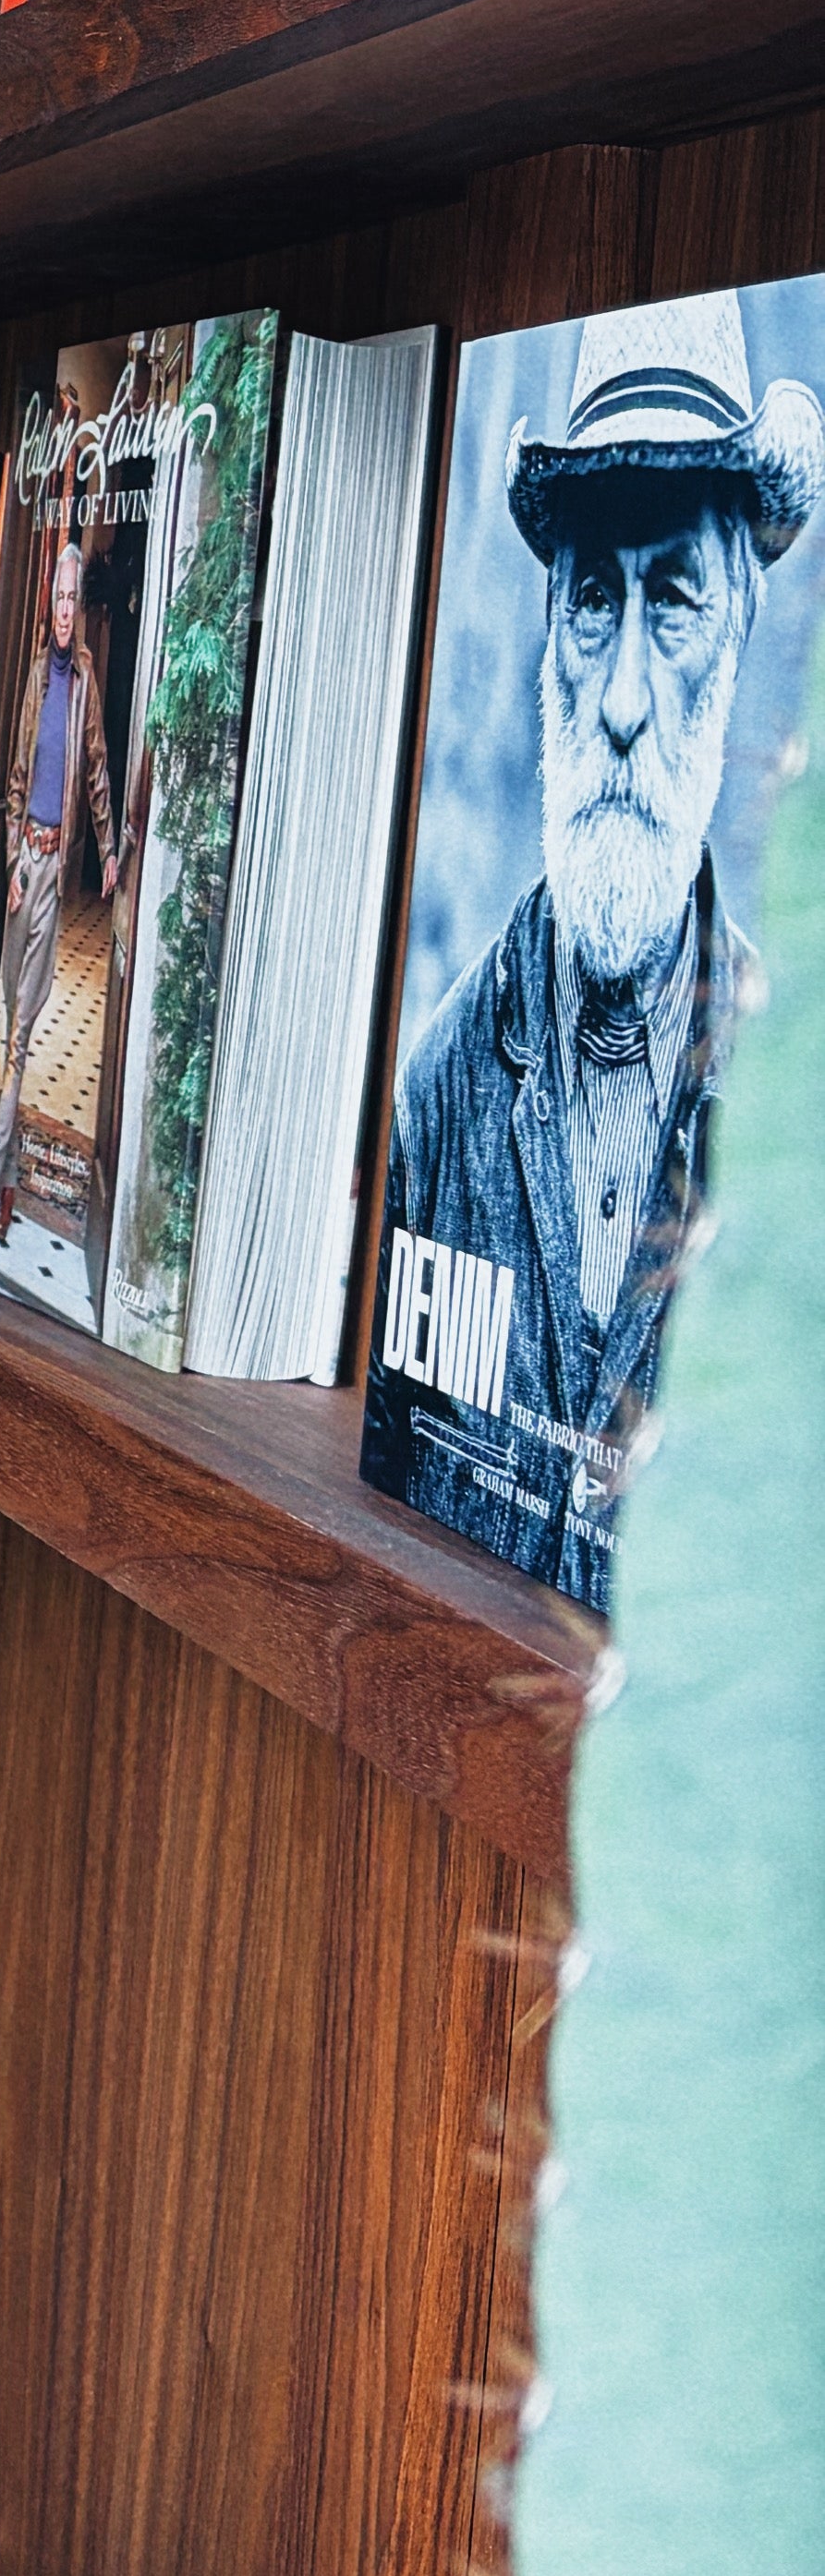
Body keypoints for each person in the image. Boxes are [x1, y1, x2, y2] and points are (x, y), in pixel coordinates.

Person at [374, 295, 820, 1607]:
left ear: (734, 643)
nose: (623, 700)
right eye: (590, 604)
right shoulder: (436, 1098)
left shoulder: (794, 1120)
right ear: (545, 647)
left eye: (672, 600)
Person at [0, 518, 127, 1255]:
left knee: (23, 1031)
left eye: (75, 596)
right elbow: (13, 781)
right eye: (59, 597)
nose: (67, 609)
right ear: (49, 605)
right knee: (15, 1014)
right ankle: (2, 1175)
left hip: (56, 870)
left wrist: (106, 851)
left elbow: (96, 769)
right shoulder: (38, 678)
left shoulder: (89, 681)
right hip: (22, 866)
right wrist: (11, 862)